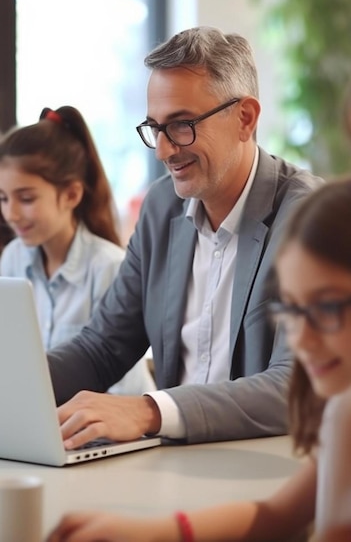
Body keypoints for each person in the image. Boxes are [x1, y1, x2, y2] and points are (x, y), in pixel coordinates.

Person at [47, 26, 323, 450]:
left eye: (181, 125)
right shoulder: (161, 209)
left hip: (266, 468)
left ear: (245, 118)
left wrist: (149, 410)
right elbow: (102, 348)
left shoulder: (308, 216)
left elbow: (295, 385)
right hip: (176, 463)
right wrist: (17, 382)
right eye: (155, 128)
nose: (163, 150)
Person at [46, 177, 351, 541]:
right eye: (292, 309)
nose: (302, 337)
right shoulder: (342, 417)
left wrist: (148, 410)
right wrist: (148, 532)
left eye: (328, 307)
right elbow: (279, 515)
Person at [0, 105, 154, 394]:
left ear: (71, 194)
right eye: (3, 198)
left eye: (26, 198)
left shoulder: (108, 267)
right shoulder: (13, 258)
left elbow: (122, 390)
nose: (11, 214)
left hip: (105, 430)